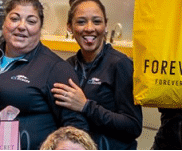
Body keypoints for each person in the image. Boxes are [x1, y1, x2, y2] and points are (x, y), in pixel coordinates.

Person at [0, 0, 86, 149]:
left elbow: (76, 128)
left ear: (40, 27)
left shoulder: (56, 69)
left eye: (31, 21)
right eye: (15, 18)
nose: (21, 26)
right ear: (4, 22)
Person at [46, 0, 140, 150]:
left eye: (97, 22)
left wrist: (86, 106)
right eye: (81, 22)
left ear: (106, 25)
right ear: (69, 27)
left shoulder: (120, 64)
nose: (90, 28)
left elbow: (133, 126)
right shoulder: (67, 67)